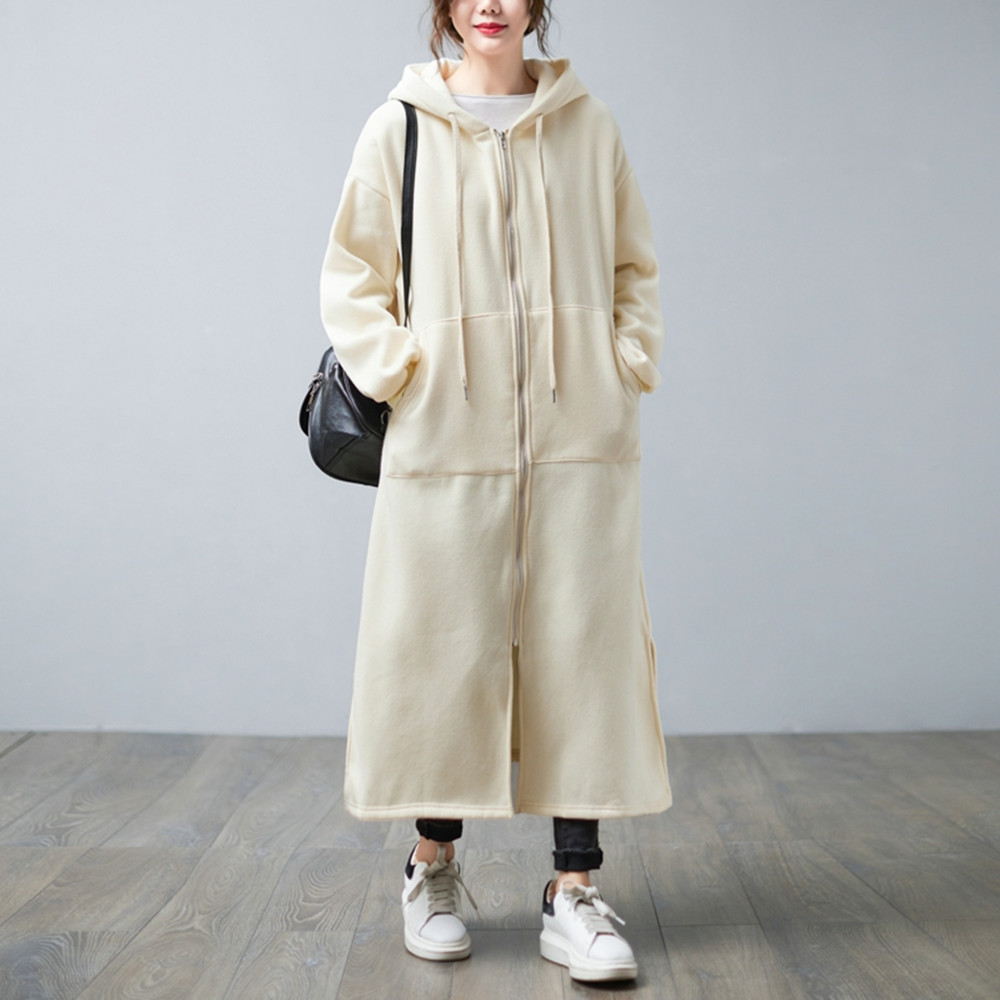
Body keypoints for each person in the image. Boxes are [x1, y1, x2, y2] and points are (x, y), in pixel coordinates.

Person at [319, 0, 671, 983]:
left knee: (582, 651)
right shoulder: (398, 127)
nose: (490, 5)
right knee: (442, 650)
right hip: (447, 440)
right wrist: (406, 373)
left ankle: (573, 890)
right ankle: (431, 869)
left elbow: (634, 265)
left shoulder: (588, 125)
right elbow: (353, 276)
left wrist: (623, 362)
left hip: (578, 442)